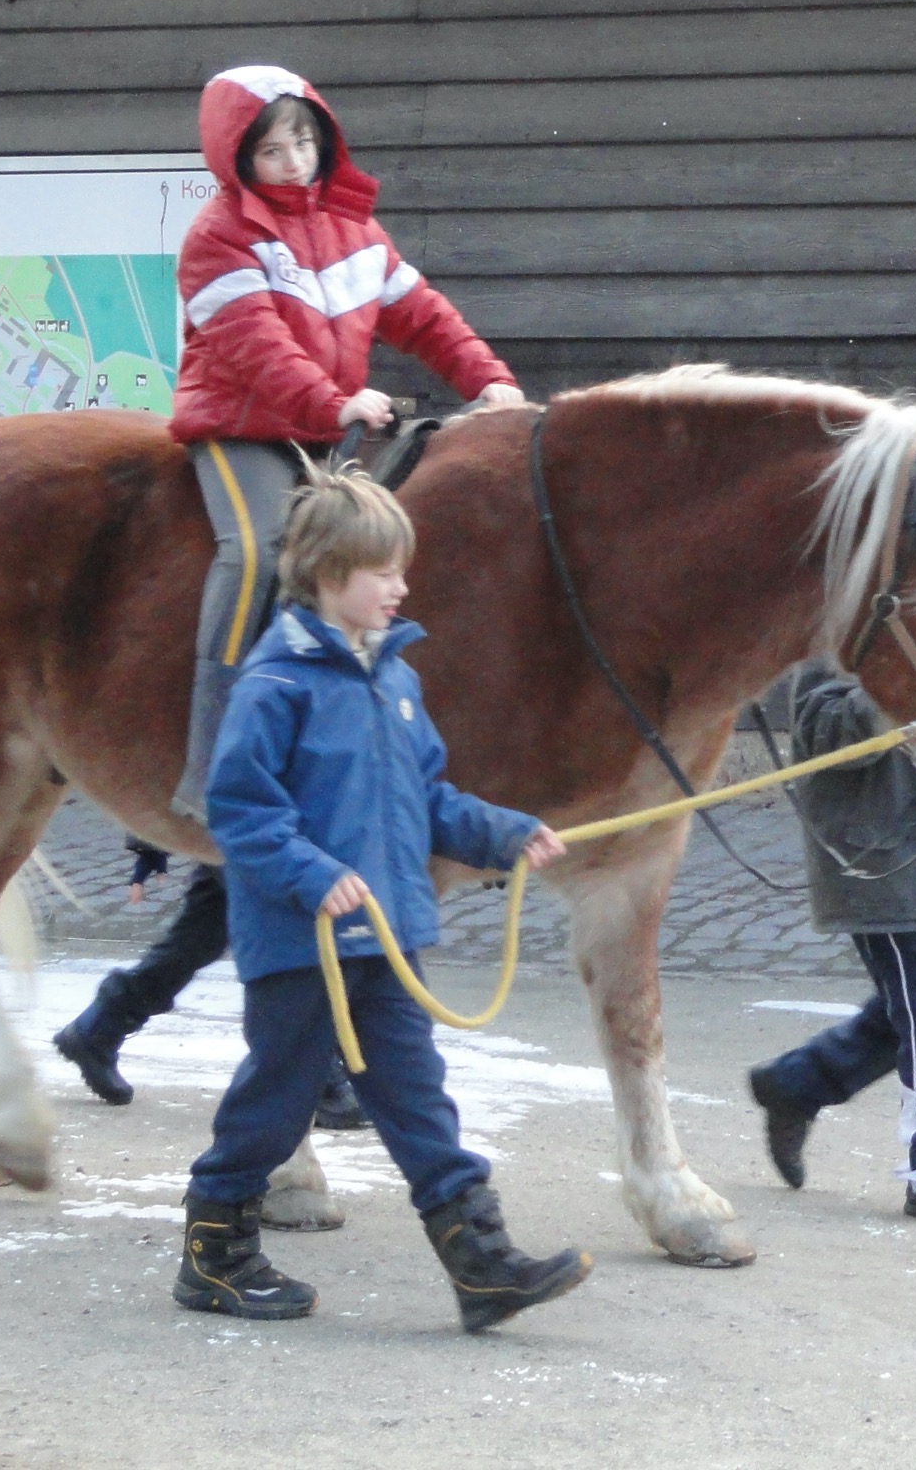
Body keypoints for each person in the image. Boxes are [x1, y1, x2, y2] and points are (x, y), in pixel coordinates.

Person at [175, 465, 588, 1332]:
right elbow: (239, 809)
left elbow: (428, 798)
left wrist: (504, 832)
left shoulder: (393, 681)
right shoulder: (275, 685)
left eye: (403, 570)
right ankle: (215, 1249)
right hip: (303, 946)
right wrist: (313, 873)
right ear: (328, 575)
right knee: (277, 1099)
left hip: (388, 939)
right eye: (384, 572)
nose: (401, 588)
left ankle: (483, 1264)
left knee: (417, 1095)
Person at [169, 64, 523, 823]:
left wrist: (489, 381)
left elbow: (424, 317)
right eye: (272, 151)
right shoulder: (217, 240)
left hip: (332, 430)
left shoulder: (356, 228)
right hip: (243, 432)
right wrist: (333, 404)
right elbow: (259, 353)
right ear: (237, 160)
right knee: (260, 552)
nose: (294, 161)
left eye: (304, 141)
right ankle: (216, 759)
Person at [746, 663, 916, 1226]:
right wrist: (899, 694)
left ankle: (796, 1083)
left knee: (915, 1014)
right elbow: (828, 736)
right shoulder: (843, 640)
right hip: (887, 862)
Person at [51, 844, 369, 1132]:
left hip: (236, 821)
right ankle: (316, 1076)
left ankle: (100, 1025)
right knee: (282, 921)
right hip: (252, 817)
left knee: (205, 928)